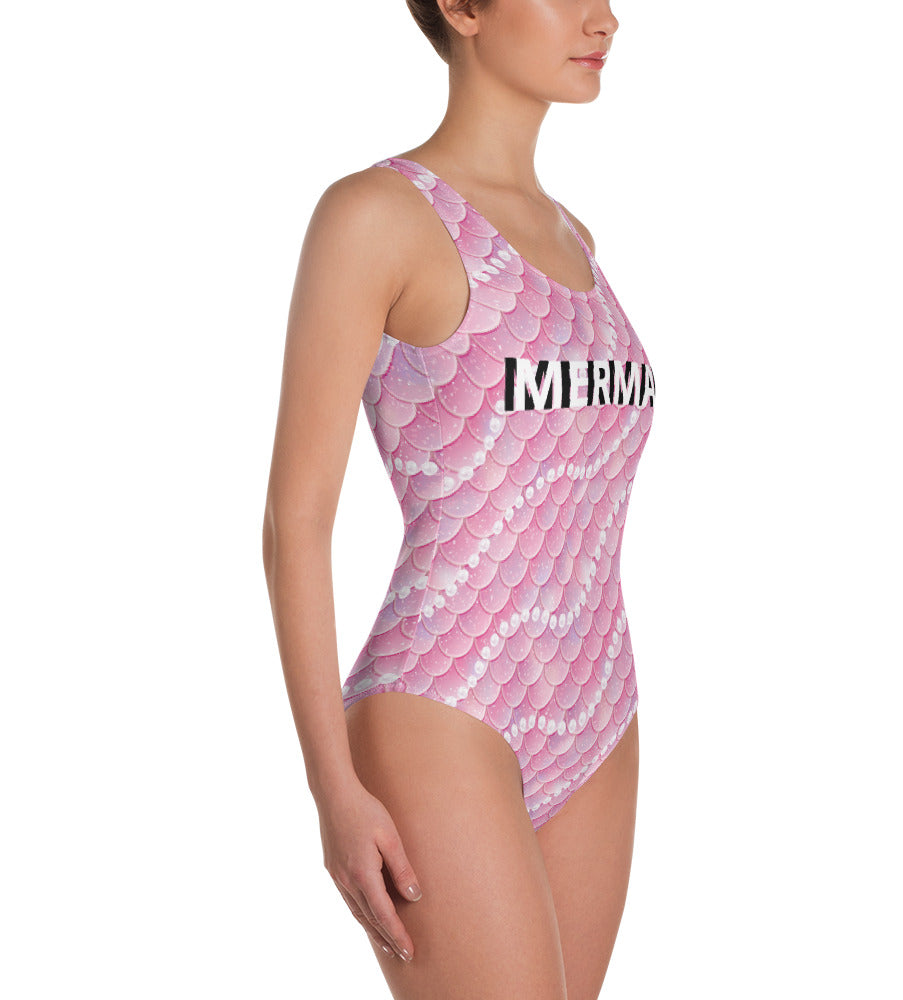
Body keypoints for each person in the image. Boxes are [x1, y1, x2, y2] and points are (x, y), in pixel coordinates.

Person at [262, 1, 656, 996]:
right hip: (442, 705)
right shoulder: (376, 216)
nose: (605, 18)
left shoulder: (576, 236)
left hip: (599, 699)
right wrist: (332, 789)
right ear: (463, 6)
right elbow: (296, 521)